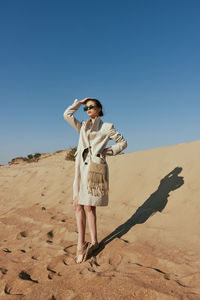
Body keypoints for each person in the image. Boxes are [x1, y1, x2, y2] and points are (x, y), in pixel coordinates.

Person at [63, 97, 127, 263]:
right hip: (80, 169)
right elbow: (67, 115)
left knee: (89, 207)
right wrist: (79, 103)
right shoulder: (83, 125)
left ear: (99, 109)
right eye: (87, 108)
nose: (88, 109)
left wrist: (109, 150)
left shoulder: (107, 127)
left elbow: (123, 142)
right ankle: (83, 243)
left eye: (91, 107)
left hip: (94, 170)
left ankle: (90, 243)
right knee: (77, 204)